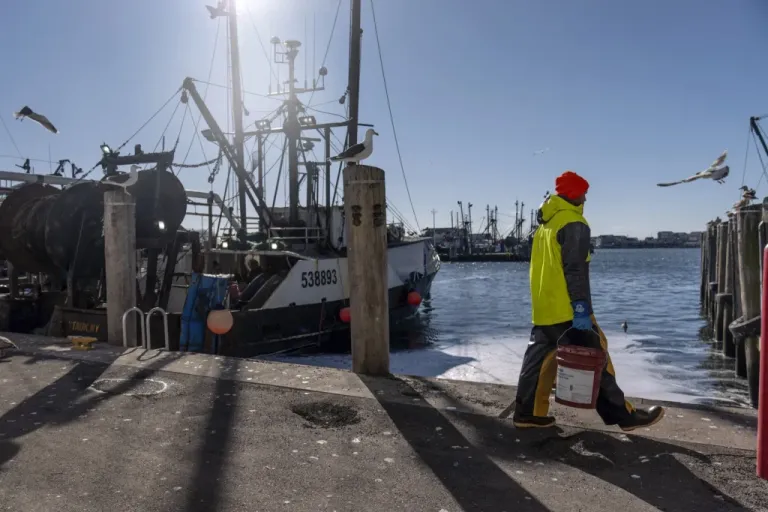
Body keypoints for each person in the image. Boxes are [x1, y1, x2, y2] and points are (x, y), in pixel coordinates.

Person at [513, 170, 665, 431]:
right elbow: (575, 270)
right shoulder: (574, 223)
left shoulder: (545, 225)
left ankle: (528, 414)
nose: (586, 197)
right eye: (584, 192)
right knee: (599, 360)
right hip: (569, 310)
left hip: (543, 308)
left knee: (537, 364)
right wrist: (581, 308)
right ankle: (625, 417)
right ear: (574, 194)